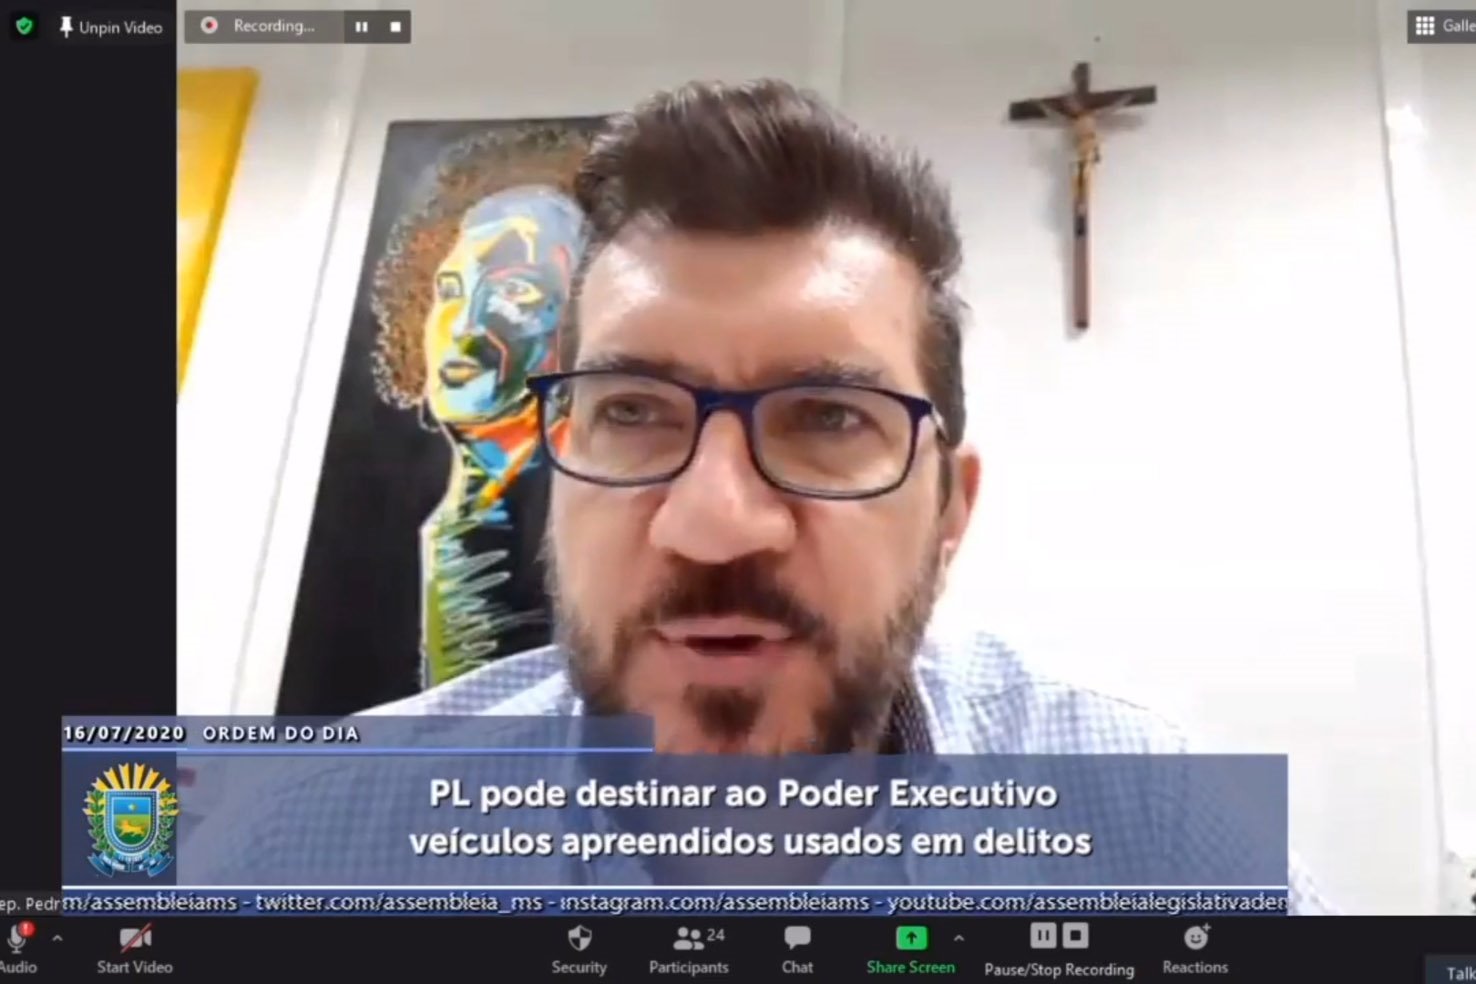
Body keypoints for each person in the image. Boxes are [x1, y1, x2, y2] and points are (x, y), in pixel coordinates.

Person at [198, 79, 1330, 911]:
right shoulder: (308, 848)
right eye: (633, 411)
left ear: (949, 514)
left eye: (830, 418)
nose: (714, 522)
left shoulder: (1157, 830)